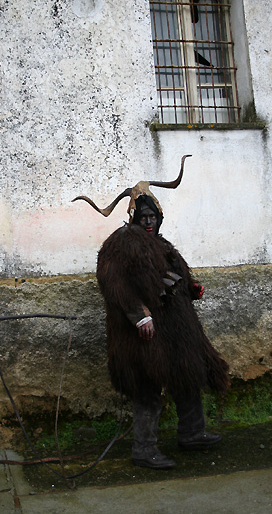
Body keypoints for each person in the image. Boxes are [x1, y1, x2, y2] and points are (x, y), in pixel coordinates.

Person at [73, 156, 229, 469]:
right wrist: (139, 315)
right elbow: (113, 282)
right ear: (133, 217)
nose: (148, 222)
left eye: (153, 216)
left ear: (160, 217)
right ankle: (144, 451)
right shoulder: (120, 243)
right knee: (146, 390)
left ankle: (192, 434)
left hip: (175, 334)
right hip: (143, 337)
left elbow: (175, 276)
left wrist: (190, 288)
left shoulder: (162, 243)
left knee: (187, 377)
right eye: (143, 216)